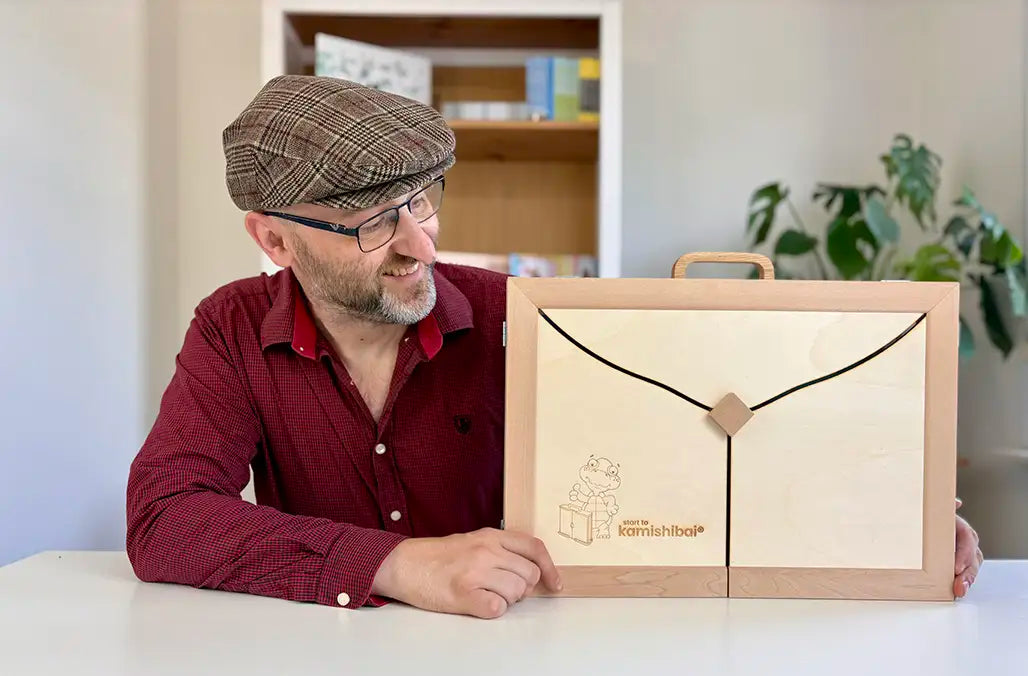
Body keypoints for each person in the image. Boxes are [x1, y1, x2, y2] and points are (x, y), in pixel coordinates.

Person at [126, 75, 983, 619]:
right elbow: (165, 519)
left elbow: (697, 442)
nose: (420, 244)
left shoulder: (526, 314)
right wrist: (395, 566)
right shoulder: (230, 328)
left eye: (423, 201)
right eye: (373, 223)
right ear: (275, 241)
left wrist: (886, 519)